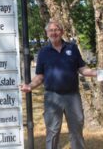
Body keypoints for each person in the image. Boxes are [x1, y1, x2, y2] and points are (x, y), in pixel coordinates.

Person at [21, 19, 97, 149]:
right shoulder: (43, 52)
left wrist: (96, 73)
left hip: (73, 97)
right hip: (52, 97)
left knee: (77, 130)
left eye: (56, 30)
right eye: (51, 30)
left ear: (61, 32)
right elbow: (40, 76)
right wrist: (30, 86)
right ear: (47, 33)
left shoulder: (72, 48)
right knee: (52, 131)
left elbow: (82, 69)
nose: (54, 33)